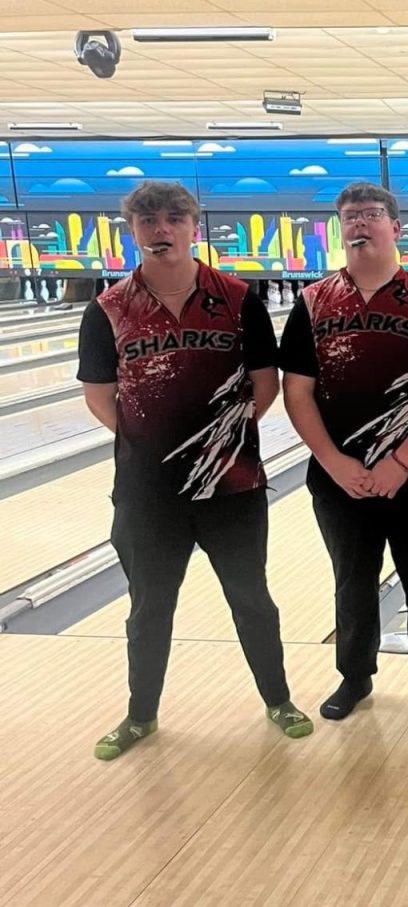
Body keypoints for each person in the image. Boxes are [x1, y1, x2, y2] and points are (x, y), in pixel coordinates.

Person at [78, 180, 311, 760]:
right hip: (147, 493)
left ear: (192, 226)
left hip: (232, 486)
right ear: (132, 231)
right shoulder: (106, 308)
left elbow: (265, 383)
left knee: (252, 599)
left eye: (173, 219)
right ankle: (140, 715)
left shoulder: (237, 298)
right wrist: (158, 445)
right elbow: (100, 393)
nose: (161, 230)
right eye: (148, 220)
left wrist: (218, 444)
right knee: (149, 608)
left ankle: (278, 700)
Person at [279, 182, 408, 724]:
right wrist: (335, 463)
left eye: (371, 215)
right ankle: (354, 677)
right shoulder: (312, 302)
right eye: (350, 217)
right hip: (339, 480)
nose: (359, 224)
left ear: (395, 227)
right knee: (352, 581)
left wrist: (400, 461)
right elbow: (297, 392)